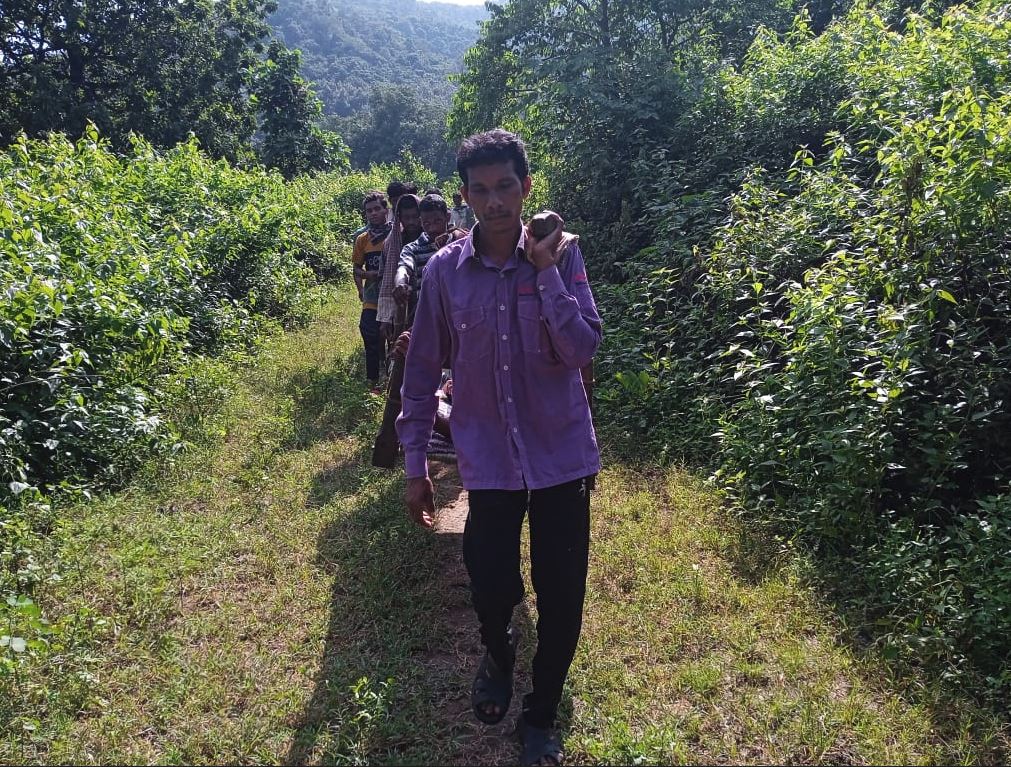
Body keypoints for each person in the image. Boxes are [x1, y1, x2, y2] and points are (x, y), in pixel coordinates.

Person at [396, 129, 600, 767]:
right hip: (487, 456)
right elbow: (423, 368)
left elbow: (581, 348)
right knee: (490, 582)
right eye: (480, 191)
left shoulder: (562, 258)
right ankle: (498, 647)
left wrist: (544, 273)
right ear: (463, 198)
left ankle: (540, 715)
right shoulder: (443, 273)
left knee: (563, 592)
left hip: (560, 452)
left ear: (526, 188)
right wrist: (415, 465)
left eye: (505, 187)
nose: (494, 202)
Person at [393, 193, 460, 321]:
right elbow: (404, 268)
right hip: (429, 316)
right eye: (427, 223)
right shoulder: (413, 248)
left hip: (459, 312)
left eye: (437, 221)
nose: (433, 228)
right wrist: (400, 283)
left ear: (447, 217)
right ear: (420, 222)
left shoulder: (460, 243)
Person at [352, 191, 391, 391]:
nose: (374, 213)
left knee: (393, 336)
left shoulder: (396, 234)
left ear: (386, 209)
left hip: (393, 296)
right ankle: (373, 380)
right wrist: (367, 279)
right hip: (372, 296)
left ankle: (392, 379)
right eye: (369, 211)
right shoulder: (362, 239)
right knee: (369, 333)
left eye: (377, 209)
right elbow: (356, 268)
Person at [377, 181, 418, 342]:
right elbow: (384, 277)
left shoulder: (436, 239)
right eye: (406, 218)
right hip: (401, 305)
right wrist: (386, 318)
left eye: (416, 217)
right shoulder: (391, 242)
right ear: (400, 218)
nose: (411, 222)